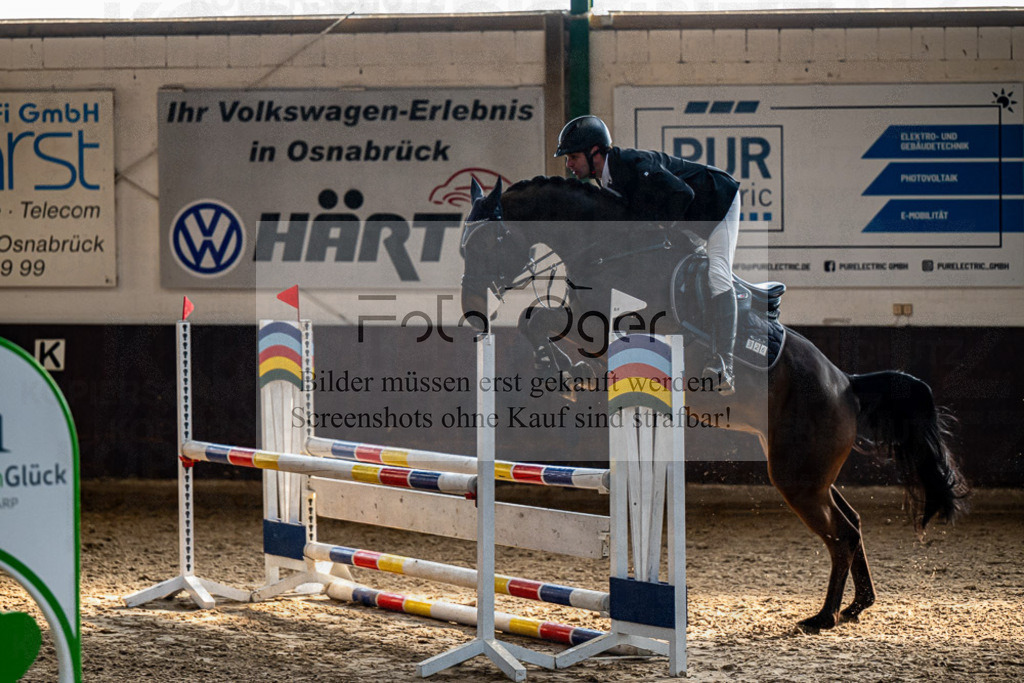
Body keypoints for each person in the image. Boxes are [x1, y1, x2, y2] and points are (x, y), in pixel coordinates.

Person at [554, 114, 741, 395]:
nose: (568, 164)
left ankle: (724, 364)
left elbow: (682, 194)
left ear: (595, 152)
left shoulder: (632, 165)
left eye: (573, 156)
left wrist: (653, 226)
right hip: (686, 219)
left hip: (716, 205)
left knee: (718, 275)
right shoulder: (605, 181)